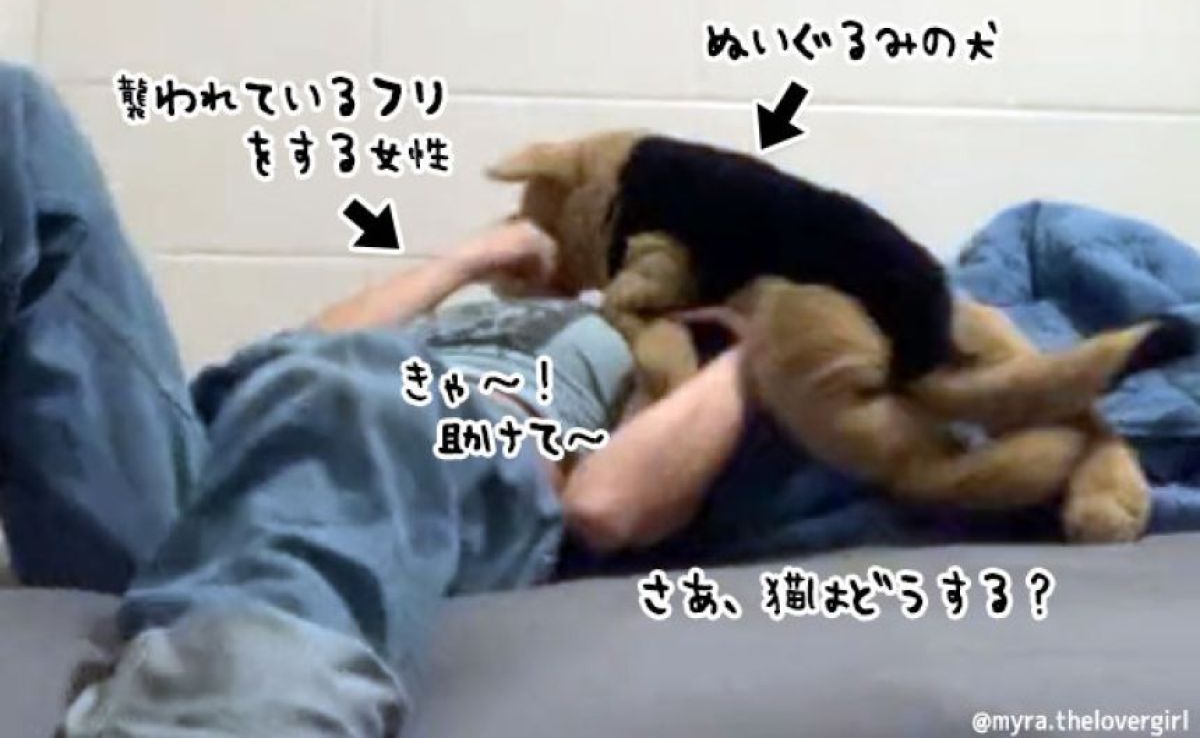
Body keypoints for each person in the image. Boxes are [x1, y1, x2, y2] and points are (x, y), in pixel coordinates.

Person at [0, 64, 756, 736]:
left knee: (361, 387)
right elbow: (297, 353)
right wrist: (470, 259)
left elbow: (609, 501)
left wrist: (763, 345)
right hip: (228, 462)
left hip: (423, 475)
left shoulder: (659, 345)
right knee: (16, 116)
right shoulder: (414, 336)